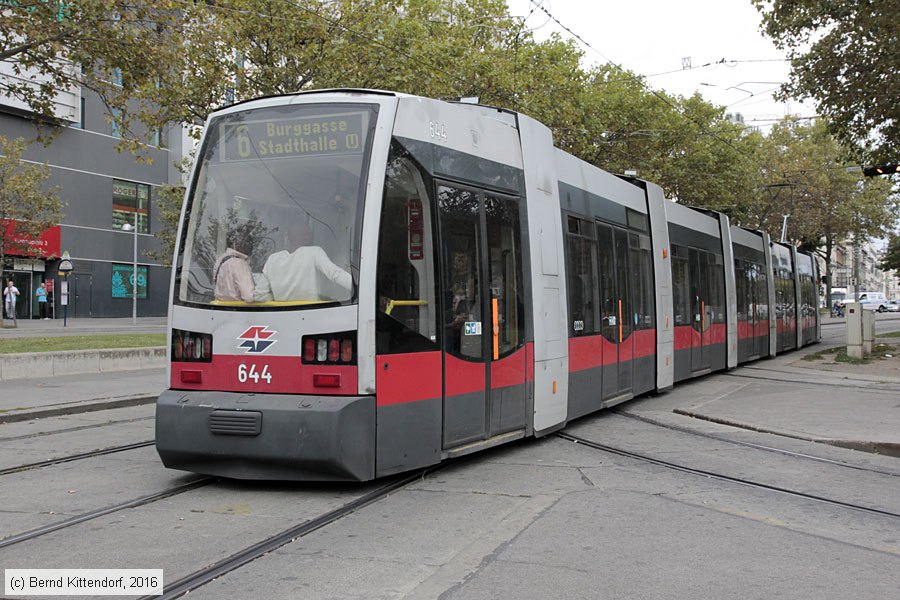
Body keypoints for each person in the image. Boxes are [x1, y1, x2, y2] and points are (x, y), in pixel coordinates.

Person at [254, 219, 352, 302]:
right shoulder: (314, 252)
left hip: (281, 313)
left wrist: (278, 301)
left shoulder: (273, 259)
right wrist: (358, 288)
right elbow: (335, 274)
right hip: (312, 313)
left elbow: (259, 295)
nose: (309, 237)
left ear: (289, 238)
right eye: (306, 234)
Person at [213, 229, 255, 303]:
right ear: (237, 243)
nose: (251, 246)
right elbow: (249, 297)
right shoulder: (240, 263)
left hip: (218, 306)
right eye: (248, 242)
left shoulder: (221, 259)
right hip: (237, 308)